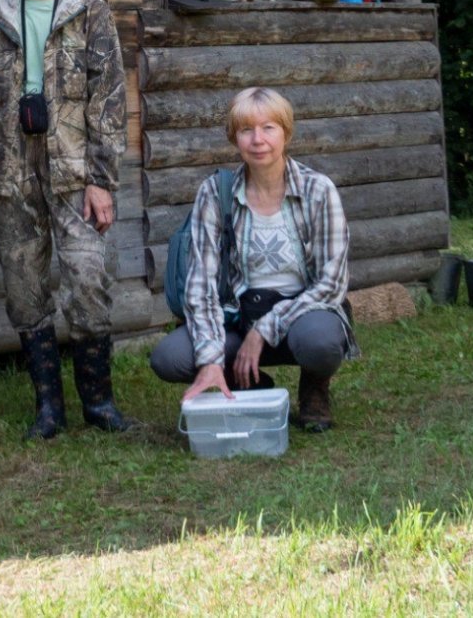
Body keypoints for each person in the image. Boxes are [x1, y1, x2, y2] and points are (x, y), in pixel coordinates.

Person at [0, 0, 134, 438]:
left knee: (88, 278)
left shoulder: (90, 13)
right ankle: (49, 408)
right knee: (24, 290)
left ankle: (98, 402)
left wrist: (101, 180)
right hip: (9, 171)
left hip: (75, 169)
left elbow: (110, 101)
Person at [149, 87, 358, 431]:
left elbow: (331, 283)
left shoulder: (318, 190)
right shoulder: (215, 193)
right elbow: (200, 285)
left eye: (269, 128)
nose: (258, 140)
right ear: (235, 138)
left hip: (303, 316)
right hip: (238, 317)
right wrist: (210, 358)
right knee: (169, 358)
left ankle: (315, 388)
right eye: (246, 130)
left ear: (286, 133)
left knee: (320, 342)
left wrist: (264, 329)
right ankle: (248, 382)